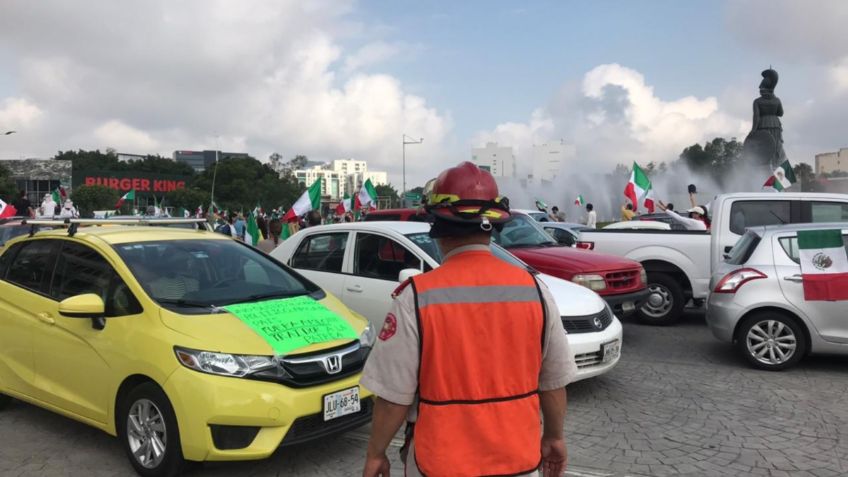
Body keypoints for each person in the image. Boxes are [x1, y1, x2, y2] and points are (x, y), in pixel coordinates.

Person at [361, 161, 577, 477]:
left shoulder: (417, 296)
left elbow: (394, 397)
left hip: (439, 462)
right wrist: (555, 437)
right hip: (519, 458)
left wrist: (375, 454)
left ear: (437, 226)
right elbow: (553, 382)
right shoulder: (535, 290)